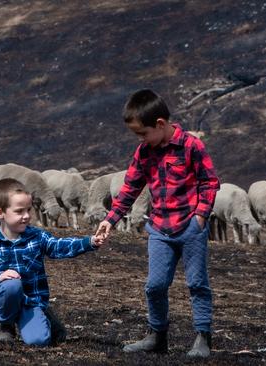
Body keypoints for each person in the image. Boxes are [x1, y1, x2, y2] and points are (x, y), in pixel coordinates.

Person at [96, 89, 220, 358]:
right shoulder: (144, 152)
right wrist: (111, 219)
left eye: (143, 133)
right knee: (155, 285)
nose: (140, 139)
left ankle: (202, 336)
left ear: (160, 125)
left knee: (197, 283)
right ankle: (157, 336)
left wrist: (200, 215)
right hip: (160, 229)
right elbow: (130, 188)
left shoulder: (191, 146)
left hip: (190, 227)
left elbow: (209, 181)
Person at [0, 178, 105, 346]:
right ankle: (6, 326)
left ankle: (45, 316)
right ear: (0, 213)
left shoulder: (36, 236)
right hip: (4, 301)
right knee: (11, 285)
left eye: (28, 210)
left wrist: (88, 242)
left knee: (38, 341)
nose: (26, 216)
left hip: (31, 301)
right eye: (19, 211)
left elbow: (58, 246)